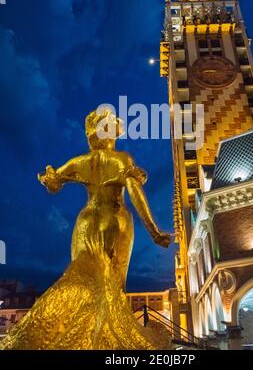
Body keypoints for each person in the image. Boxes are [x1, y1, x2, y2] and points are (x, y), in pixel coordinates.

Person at [0, 108, 171, 350]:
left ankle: (60, 326)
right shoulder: (122, 159)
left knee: (81, 273)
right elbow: (134, 192)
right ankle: (105, 340)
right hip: (114, 218)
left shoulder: (79, 162)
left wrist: (49, 179)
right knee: (112, 283)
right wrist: (153, 230)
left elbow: (53, 184)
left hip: (86, 220)